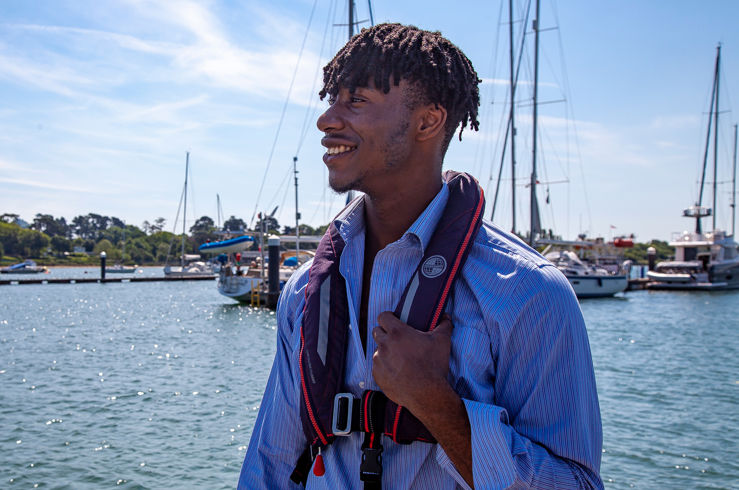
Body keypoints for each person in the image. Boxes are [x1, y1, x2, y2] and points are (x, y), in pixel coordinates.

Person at [238, 23, 602, 489]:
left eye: (357, 100)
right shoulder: (305, 290)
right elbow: (270, 462)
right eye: (332, 100)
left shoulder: (529, 293)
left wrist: (434, 404)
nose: (327, 119)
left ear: (428, 122)